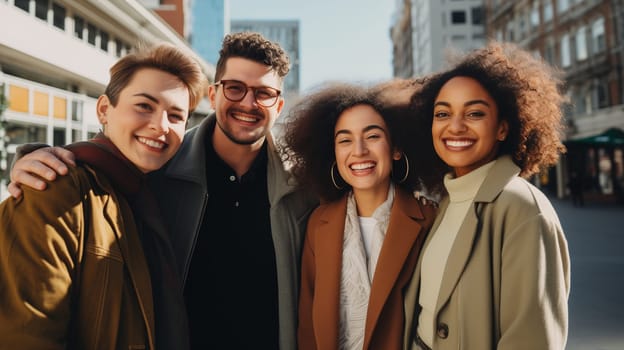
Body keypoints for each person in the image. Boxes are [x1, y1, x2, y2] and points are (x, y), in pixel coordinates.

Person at [7, 32, 317, 349]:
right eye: (235, 88)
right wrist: (37, 158)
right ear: (214, 95)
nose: (248, 103)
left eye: (263, 93)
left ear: (278, 105)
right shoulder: (157, 171)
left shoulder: (304, 188)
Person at [0, 43, 206, 349]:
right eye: (144, 106)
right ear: (104, 110)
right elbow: (27, 335)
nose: (160, 126)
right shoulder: (53, 188)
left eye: (176, 116)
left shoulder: (150, 194)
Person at [402, 42, 571, 350]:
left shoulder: (522, 209)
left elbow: (531, 340)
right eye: (443, 113)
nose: (455, 126)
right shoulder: (448, 199)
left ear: (503, 128)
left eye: (475, 113)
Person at [282, 83, 443, 350]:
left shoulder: (428, 218)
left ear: (396, 148)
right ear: (334, 153)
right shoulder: (318, 223)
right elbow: (308, 326)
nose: (358, 150)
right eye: (345, 140)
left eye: (372, 136)